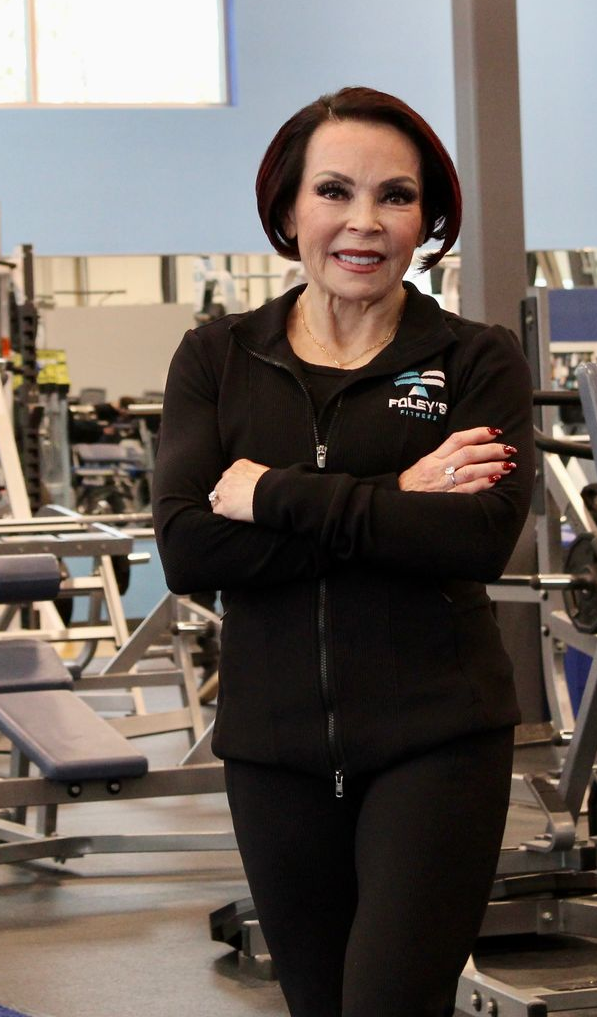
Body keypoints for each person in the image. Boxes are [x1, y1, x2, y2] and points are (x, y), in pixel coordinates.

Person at [153, 87, 535, 1015]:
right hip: (272, 750)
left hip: (436, 741)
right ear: (290, 211)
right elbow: (191, 548)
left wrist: (274, 494)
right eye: (335, 191)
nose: (364, 222)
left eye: (395, 197)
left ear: (425, 220)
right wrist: (397, 499)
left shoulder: (475, 360)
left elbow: (476, 537)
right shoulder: (217, 358)